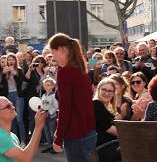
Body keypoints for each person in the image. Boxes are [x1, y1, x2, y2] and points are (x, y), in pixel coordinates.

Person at [49, 33, 97, 162]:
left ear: (61, 49)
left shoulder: (65, 72)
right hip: (88, 130)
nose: (52, 56)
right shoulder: (80, 69)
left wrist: (58, 137)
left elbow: (65, 107)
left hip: (76, 133)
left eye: (53, 52)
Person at [0, 96, 47, 162]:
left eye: (12, 104)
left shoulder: (12, 135)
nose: (13, 107)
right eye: (8, 106)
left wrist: (40, 126)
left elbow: (30, 153)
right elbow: (26, 158)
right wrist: (38, 127)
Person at [93, 78, 120, 162]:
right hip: (104, 148)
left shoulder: (105, 107)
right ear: (98, 90)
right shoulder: (96, 104)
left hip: (110, 146)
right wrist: (129, 134)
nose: (107, 93)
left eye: (110, 91)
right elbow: (109, 128)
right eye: (104, 89)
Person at [40, 78, 58, 154]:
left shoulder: (54, 95)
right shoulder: (43, 95)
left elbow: (56, 106)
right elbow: (41, 104)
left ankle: (55, 147)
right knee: (46, 131)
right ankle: (49, 145)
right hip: (44, 116)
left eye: (49, 85)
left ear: (53, 86)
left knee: (52, 132)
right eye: (45, 85)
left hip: (51, 117)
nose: (47, 86)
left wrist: (49, 113)